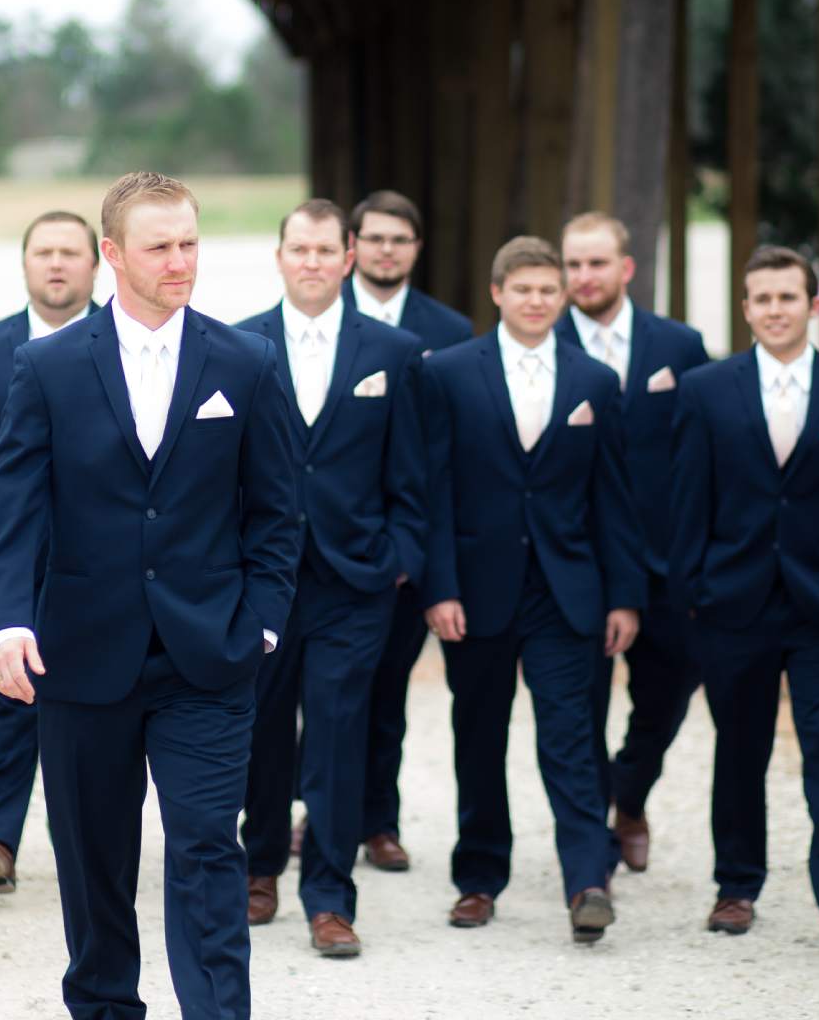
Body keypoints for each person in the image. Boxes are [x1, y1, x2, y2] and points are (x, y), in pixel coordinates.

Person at [0, 172, 300, 1018]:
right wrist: (7, 621)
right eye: (160, 247)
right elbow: (12, 507)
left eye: (190, 243)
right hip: (82, 655)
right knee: (93, 862)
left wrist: (262, 625)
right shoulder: (45, 367)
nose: (180, 261)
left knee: (205, 848)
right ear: (112, 254)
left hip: (209, 656)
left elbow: (276, 511)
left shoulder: (246, 360)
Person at [420, 235, 643, 943]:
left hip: (564, 589)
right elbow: (434, 491)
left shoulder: (594, 382)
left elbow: (615, 498)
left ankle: (587, 880)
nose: (538, 300)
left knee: (570, 736)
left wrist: (623, 596)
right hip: (477, 590)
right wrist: (439, 587)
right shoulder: (449, 373)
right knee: (478, 736)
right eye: (524, 290)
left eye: (549, 289)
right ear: (497, 295)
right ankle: (479, 879)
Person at [668, 245, 819, 945]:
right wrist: (695, 592)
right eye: (761, 299)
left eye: (787, 298)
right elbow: (685, 504)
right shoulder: (705, 390)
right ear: (745, 309)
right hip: (732, 607)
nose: (774, 310)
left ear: (813, 306)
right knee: (740, 750)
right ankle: (736, 886)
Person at [236, 198, 425, 957]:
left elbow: (414, 472)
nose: (312, 263)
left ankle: (330, 898)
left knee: (340, 737)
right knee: (261, 732)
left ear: (348, 258)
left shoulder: (394, 351)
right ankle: (258, 872)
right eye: (299, 250)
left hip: (356, 582)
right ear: (280, 258)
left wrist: (399, 560)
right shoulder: (238, 345)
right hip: (266, 580)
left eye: (325, 251)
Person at [555, 210, 710, 873]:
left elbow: (705, 452)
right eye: (572, 265)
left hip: (666, 557)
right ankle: (593, 842)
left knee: (672, 688)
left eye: (596, 263)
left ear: (626, 267)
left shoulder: (680, 347)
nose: (583, 277)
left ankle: (630, 792)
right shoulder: (539, 345)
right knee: (579, 705)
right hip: (578, 560)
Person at [0, 209, 100, 894]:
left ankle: (96, 843)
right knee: (8, 697)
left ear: (97, 264)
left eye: (70, 252)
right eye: (44, 251)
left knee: (102, 701)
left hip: (101, 561)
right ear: (24, 264)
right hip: (13, 559)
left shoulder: (123, 342)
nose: (57, 264)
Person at [341, 189, 474, 871]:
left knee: (387, 687)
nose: (387, 250)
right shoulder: (326, 318)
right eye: (376, 238)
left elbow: (453, 453)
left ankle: (377, 822)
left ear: (416, 250)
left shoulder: (450, 332)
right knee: (318, 693)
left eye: (401, 239)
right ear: (352, 246)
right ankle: (319, 812)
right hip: (334, 540)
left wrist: (419, 554)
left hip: (408, 539)